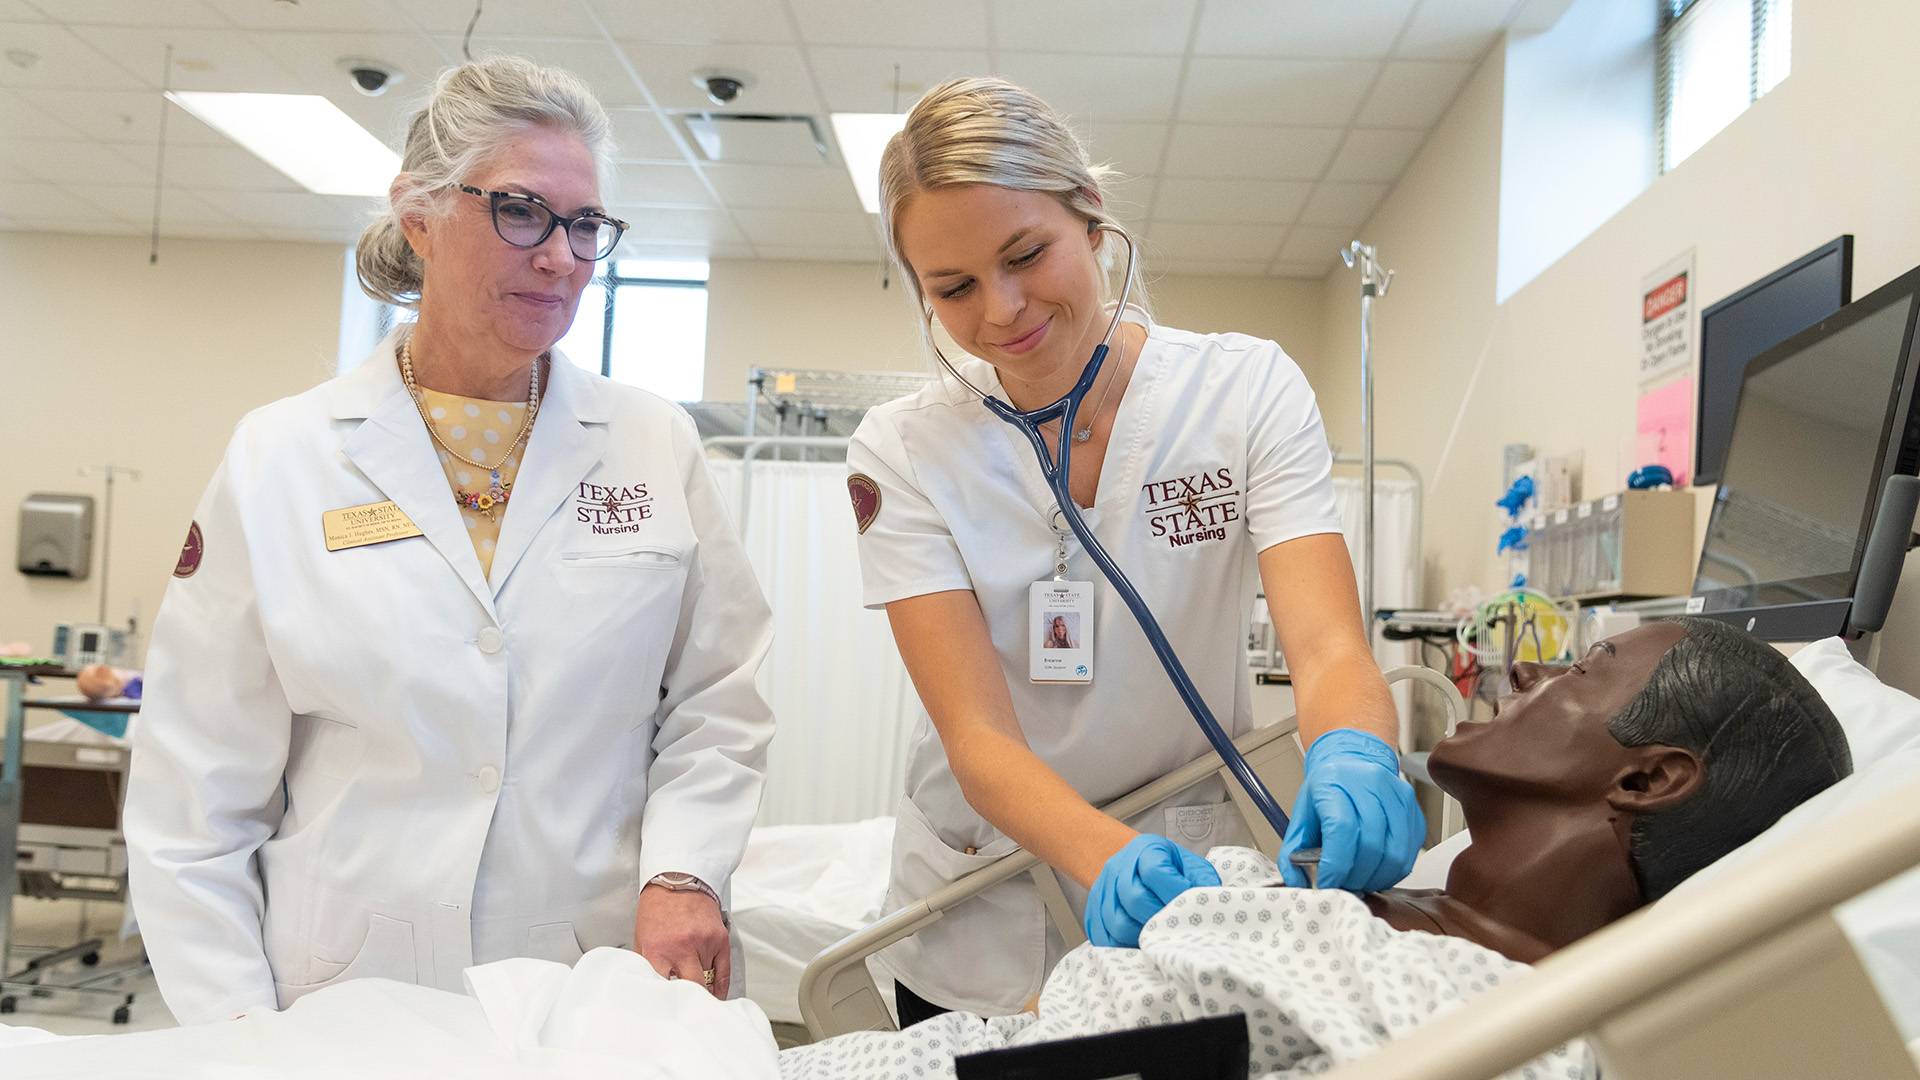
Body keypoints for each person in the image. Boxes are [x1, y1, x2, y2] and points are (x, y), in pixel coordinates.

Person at [124, 56, 775, 1026]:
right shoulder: (285, 457)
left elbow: (717, 698)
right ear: (419, 217)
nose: (562, 256)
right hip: (339, 998)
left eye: (586, 224)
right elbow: (194, 795)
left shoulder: (651, 442)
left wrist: (684, 871)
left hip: (584, 989)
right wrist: (236, 1038)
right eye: (521, 212)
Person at [845, 76, 1424, 1022]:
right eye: (952, 288)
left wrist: (1358, 750)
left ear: (1091, 215)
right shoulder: (904, 451)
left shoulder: (1243, 392)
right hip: (982, 900)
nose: (1001, 311)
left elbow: (1324, 648)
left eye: (1026, 254)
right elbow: (978, 738)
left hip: (1190, 887)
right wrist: (1101, 852)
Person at [780, 618, 1853, 1076]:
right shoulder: (1402, 911)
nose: (1527, 672)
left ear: (1649, 779)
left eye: (1583, 670)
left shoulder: (1491, 1017)